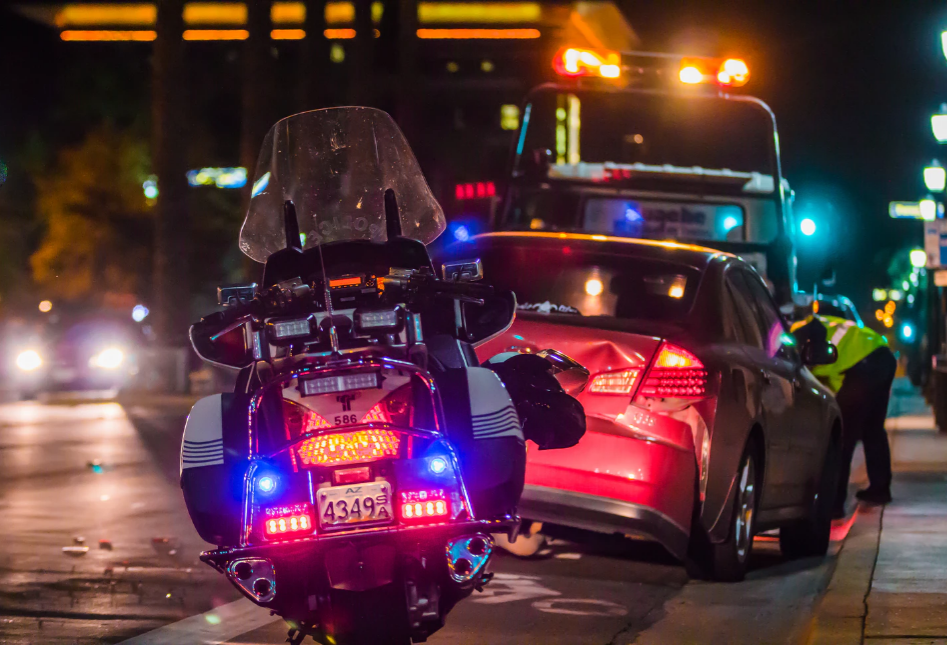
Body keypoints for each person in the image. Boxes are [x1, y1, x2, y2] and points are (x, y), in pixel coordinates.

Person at [792, 313, 897, 518]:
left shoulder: (798, 332)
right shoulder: (819, 322)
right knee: (872, 429)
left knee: (843, 437)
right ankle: (880, 489)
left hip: (861, 364)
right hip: (881, 356)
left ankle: (834, 504)